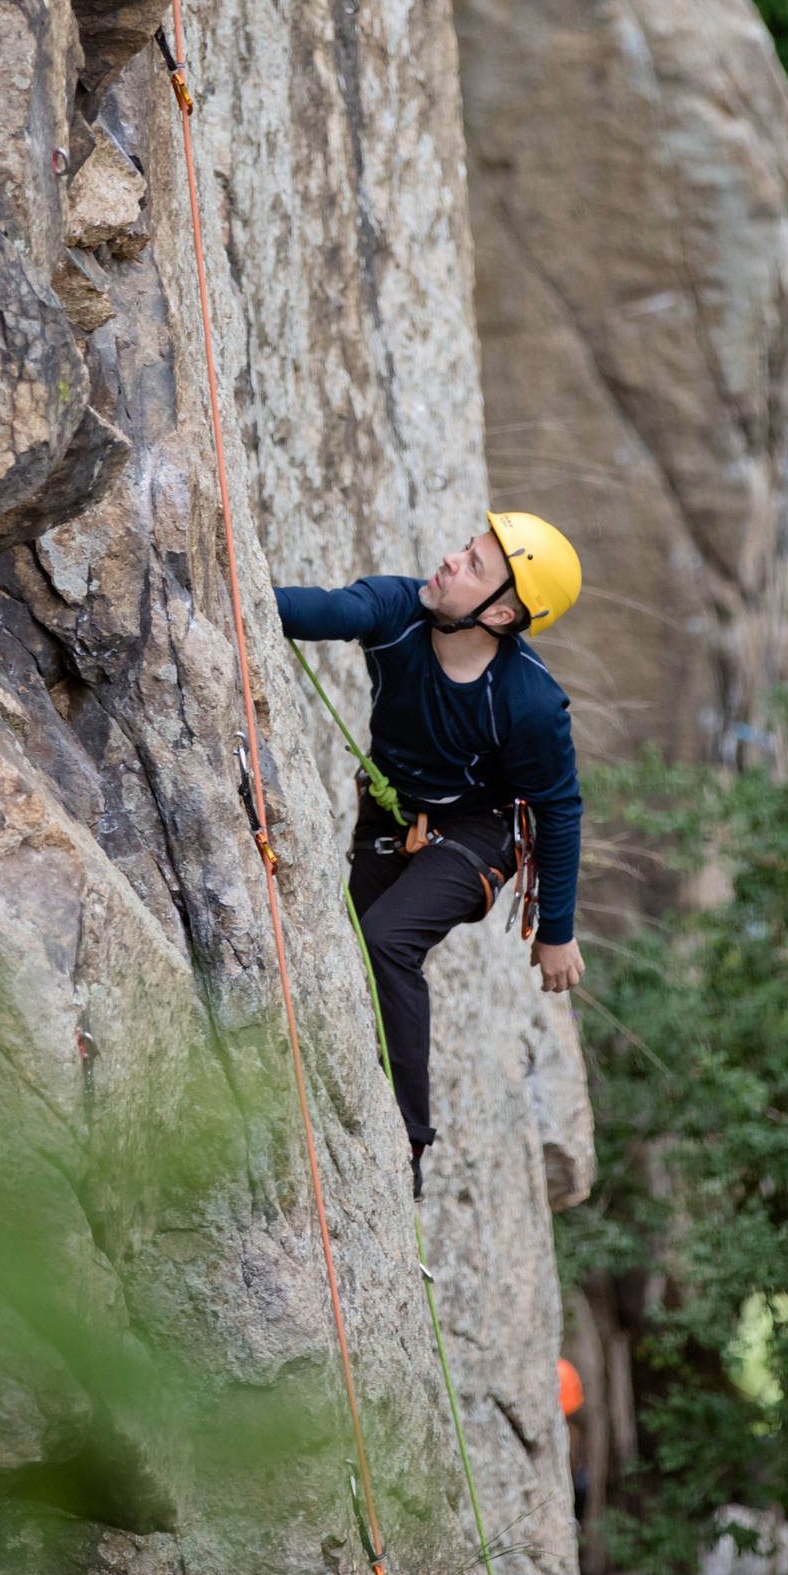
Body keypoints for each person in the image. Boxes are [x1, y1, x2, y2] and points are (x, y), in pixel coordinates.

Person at [275, 512, 585, 1196]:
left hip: (480, 833)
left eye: (472, 566)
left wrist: (556, 931)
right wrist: (250, 597)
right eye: (465, 549)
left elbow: (559, 809)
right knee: (346, 948)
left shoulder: (528, 702)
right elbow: (326, 609)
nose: (449, 561)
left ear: (500, 613)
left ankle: (408, 1140)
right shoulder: (399, 611)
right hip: (393, 814)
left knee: (385, 940)